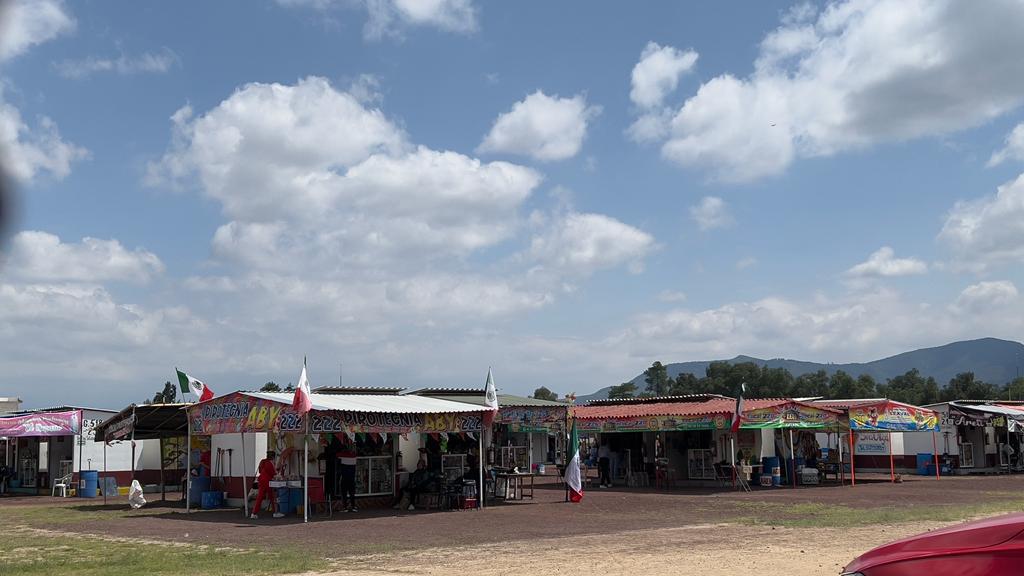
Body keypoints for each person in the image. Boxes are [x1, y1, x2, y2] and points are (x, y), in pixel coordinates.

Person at [252, 450, 283, 519]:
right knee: (272, 497)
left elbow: (260, 471)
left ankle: (254, 513)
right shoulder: (270, 463)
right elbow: (274, 474)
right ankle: (275, 512)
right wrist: (279, 473)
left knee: (259, 498)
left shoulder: (263, 461)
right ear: (273, 457)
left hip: (261, 481)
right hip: (267, 482)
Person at [338, 440, 358, 512]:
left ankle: (345, 507)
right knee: (352, 493)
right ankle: (353, 507)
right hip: (352, 478)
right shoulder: (354, 455)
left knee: (344, 493)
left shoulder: (342, 455)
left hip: (344, 477)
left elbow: (337, 455)